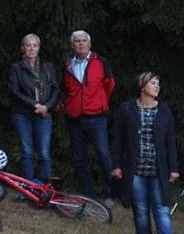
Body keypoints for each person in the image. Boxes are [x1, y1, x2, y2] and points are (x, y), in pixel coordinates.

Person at [111, 72, 180, 234]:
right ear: (142, 87)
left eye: (158, 83)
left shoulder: (164, 110)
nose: (157, 86)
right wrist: (116, 165)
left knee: (162, 210)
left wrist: (174, 168)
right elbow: (118, 140)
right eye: (153, 83)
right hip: (136, 170)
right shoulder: (127, 109)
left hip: (159, 170)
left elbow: (170, 142)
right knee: (141, 212)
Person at [62, 30, 116, 205]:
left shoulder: (100, 62)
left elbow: (109, 85)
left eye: (84, 40)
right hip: (75, 118)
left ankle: (110, 193)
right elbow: (66, 88)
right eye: (77, 41)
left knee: (103, 154)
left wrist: (98, 102)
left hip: (96, 117)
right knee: (79, 158)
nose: (80, 43)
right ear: (72, 45)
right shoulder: (68, 63)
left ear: (89, 44)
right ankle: (89, 195)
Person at [8, 33, 59, 182]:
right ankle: (27, 186)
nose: (31, 48)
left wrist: (47, 107)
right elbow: (14, 91)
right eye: (28, 45)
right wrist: (35, 104)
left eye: (34, 45)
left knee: (44, 152)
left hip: (44, 114)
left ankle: (46, 187)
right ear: (23, 48)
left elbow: (55, 89)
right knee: (27, 152)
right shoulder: (16, 68)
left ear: (39, 48)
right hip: (22, 114)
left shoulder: (47, 67)